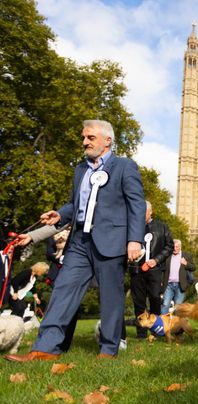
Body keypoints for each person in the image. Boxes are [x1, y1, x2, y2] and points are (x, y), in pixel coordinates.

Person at [4, 119, 145, 362]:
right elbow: (75, 204)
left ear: (107, 141)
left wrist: (135, 240)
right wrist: (60, 214)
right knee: (62, 290)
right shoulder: (80, 169)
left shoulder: (125, 167)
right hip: (79, 242)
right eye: (84, 138)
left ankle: (108, 351)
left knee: (111, 298)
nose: (84, 142)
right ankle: (45, 349)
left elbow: (136, 204)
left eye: (90, 138)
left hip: (111, 242)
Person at [129, 200, 173, 338]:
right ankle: (141, 333)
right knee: (139, 301)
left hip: (154, 270)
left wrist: (157, 260)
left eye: (144, 212)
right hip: (136, 269)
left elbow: (169, 246)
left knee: (155, 297)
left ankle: (156, 330)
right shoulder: (133, 227)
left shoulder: (162, 227)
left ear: (150, 212)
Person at [161, 239, 195, 314]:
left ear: (180, 247)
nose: (175, 249)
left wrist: (186, 263)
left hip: (180, 285)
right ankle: (163, 323)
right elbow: (162, 270)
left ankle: (177, 324)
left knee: (178, 307)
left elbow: (193, 268)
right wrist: (161, 281)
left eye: (177, 247)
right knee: (165, 304)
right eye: (173, 247)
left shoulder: (186, 255)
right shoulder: (167, 256)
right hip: (168, 285)